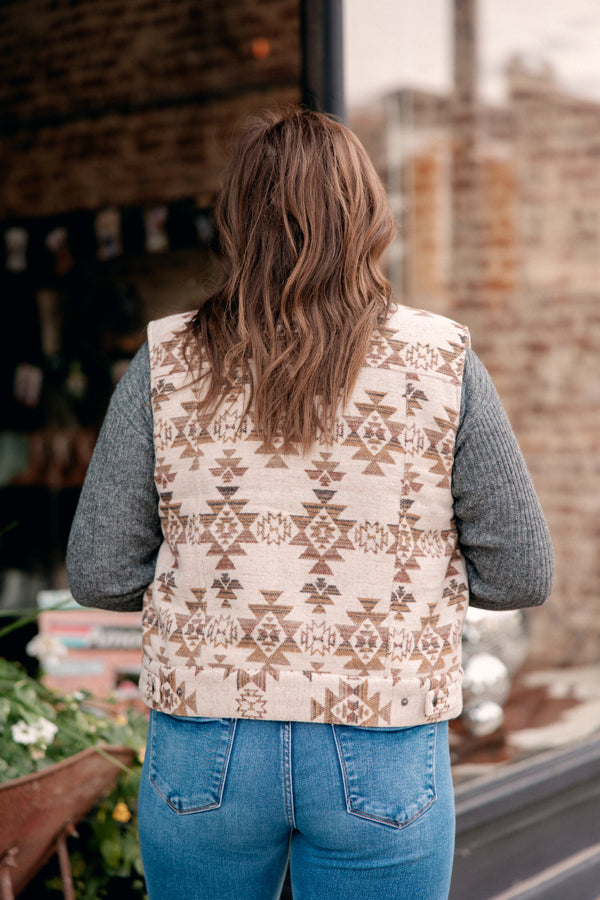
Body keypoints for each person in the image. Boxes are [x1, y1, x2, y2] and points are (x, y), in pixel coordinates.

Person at [66, 107, 553, 900]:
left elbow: (96, 573)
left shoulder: (164, 362)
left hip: (206, 738)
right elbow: (522, 574)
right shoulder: (443, 362)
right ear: (369, 215)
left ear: (235, 224)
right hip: (382, 738)